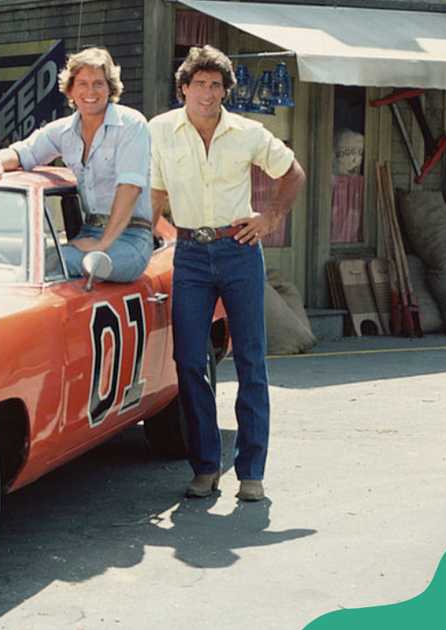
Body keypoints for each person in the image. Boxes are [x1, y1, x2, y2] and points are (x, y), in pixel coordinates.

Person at [148, 46, 305, 502]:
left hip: (238, 249)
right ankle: (205, 468)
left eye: (216, 85)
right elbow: (156, 191)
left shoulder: (247, 132)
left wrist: (270, 219)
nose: (208, 92)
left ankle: (251, 472)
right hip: (190, 255)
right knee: (190, 362)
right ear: (184, 88)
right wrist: (142, 242)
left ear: (225, 92)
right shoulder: (161, 130)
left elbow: (291, 172)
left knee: (252, 360)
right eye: (199, 84)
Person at [0, 47, 153, 282]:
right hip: (88, 230)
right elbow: (22, 151)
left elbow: (130, 188)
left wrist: (102, 243)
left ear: (110, 87)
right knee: (31, 265)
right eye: (83, 83)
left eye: (98, 83)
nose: (91, 91)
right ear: (70, 88)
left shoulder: (132, 124)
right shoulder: (63, 130)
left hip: (130, 238)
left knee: (54, 264)